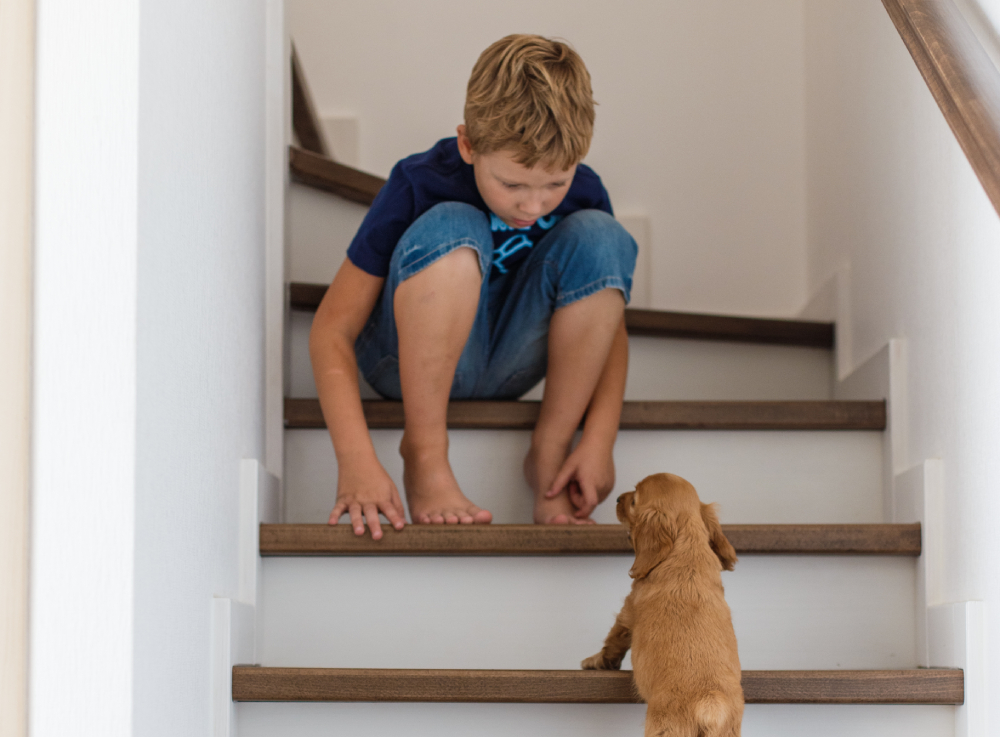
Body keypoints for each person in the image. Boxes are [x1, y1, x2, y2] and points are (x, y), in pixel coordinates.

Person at [309, 34, 637, 539]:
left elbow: (607, 321)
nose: (534, 206)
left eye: (556, 183)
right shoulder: (419, 181)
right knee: (455, 225)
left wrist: (598, 437)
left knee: (603, 237)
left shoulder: (586, 192)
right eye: (513, 185)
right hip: (403, 364)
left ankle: (547, 459)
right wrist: (355, 460)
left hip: (508, 363)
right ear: (468, 144)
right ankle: (424, 454)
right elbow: (331, 329)